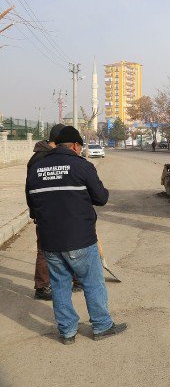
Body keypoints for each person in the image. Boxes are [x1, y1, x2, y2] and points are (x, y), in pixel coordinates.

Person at [25, 126, 127, 344]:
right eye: (79, 147)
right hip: (80, 238)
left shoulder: (36, 167)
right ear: (74, 145)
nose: (80, 151)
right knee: (92, 282)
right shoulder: (81, 165)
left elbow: (32, 207)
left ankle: (67, 332)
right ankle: (102, 325)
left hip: (50, 241)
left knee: (60, 285)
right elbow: (101, 198)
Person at [26, 123, 81, 300]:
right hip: (50, 211)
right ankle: (43, 287)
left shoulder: (41, 157)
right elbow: (31, 188)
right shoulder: (42, 159)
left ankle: (74, 279)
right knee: (47, 249)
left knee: (64, 245)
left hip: (53, 210)